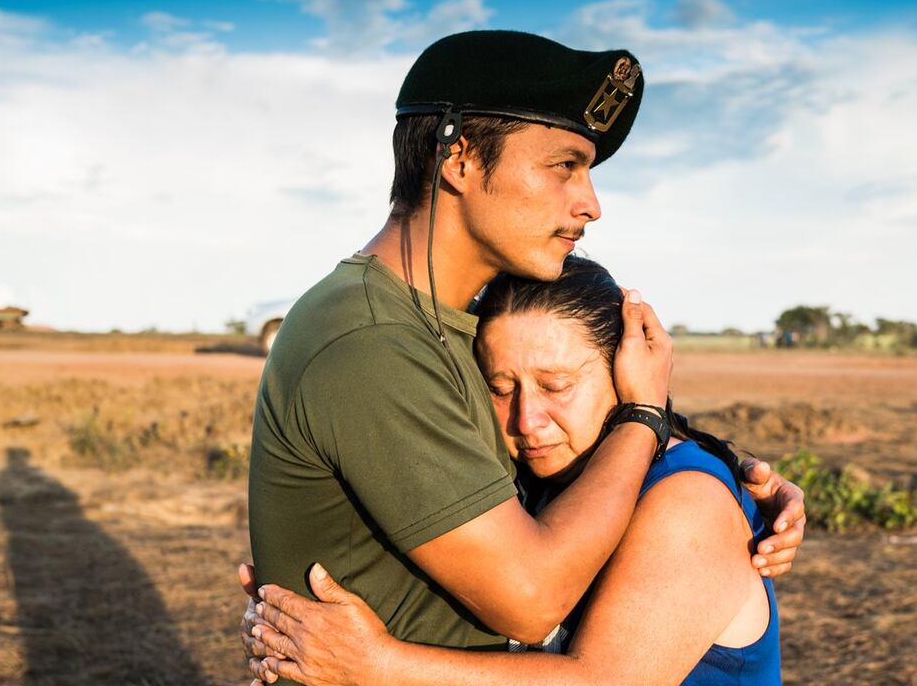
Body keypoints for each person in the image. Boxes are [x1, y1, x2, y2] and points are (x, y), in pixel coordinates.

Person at [245, 30, 805, 683]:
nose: (590, 203)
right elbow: (532, 602)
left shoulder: (445, 328)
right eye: (563, 165)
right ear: (457, 158)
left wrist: (723, 476)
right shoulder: (374, 339)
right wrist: (647, 416)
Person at [246, 256, 783, 685]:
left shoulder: (686, 502)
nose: (527, 419)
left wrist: (376, 666)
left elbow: (604, 680)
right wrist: (291, 620)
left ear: (629, 373)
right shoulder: (536, 484)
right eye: (501, 390)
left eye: (556, 386)